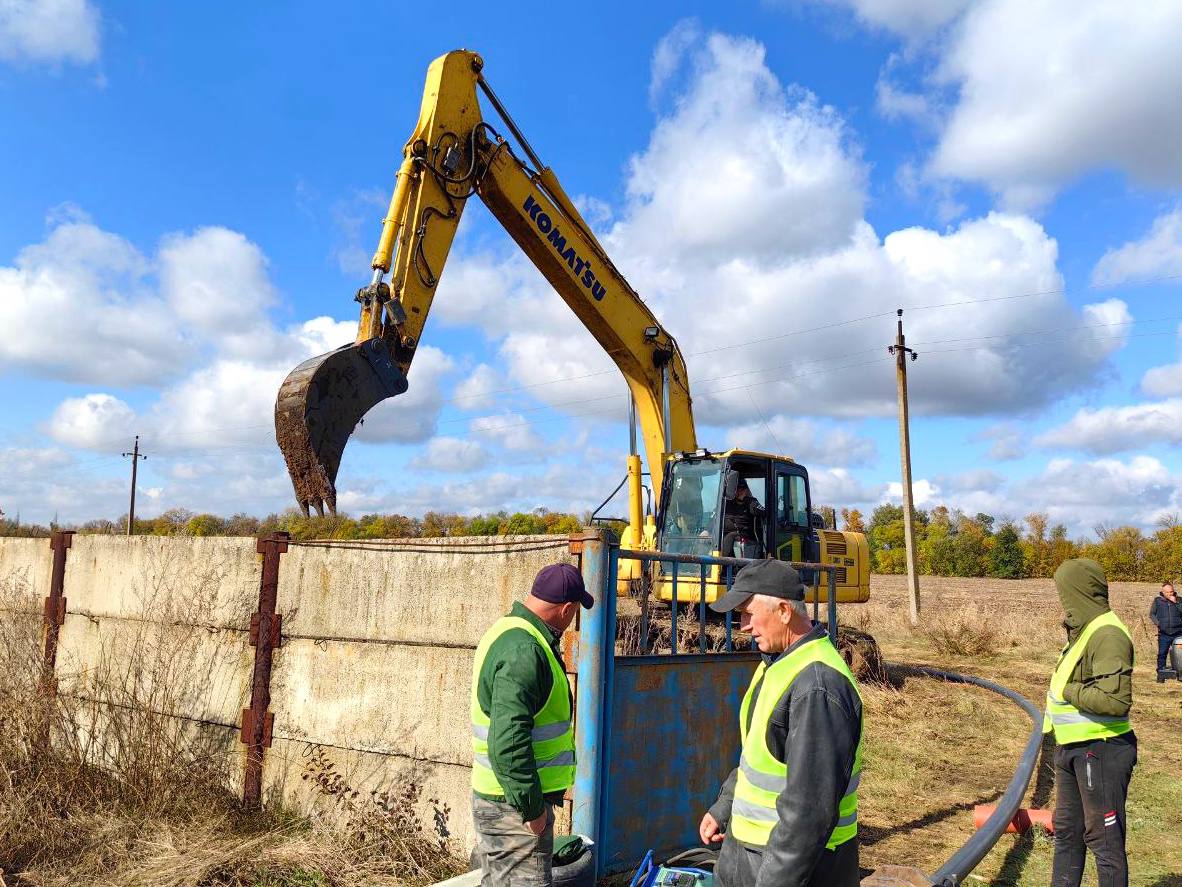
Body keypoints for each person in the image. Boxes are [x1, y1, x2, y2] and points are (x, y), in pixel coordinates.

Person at [699, 560, 862, 887]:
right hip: (747, 853)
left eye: (748, 612)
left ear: (785, 610)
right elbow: (759, 758)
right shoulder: (778, 663)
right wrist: (725, 806)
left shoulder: (818, 686)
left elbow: (808, 813)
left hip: (786, 867)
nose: (743, 625)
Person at [470, 563, 594, 886]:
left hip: (500, 801)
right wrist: (534, 812)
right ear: (567, 610)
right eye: (576, 611)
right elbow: (508, 744)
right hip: (513, 810)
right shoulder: (525, 651)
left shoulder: (506, 631)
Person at [1044, 558, 1136, 887]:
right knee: (1067, 832)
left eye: (1064, 592)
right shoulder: (1083, 632)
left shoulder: (1107, 634)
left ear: (1079, 591)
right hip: (1073, 748)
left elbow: (1115, 700)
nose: (1062, 601)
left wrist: (1068, 691)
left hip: (1102, 749)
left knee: (1104, 841)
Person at [722, 479, 765, 557]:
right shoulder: (726, 504)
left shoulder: (752, 503)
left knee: (731, 536)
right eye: (737, 489)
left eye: (742, 490)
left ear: (746, 490)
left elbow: (764, 512)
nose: (739, 492)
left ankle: (720, 562)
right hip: (723, 535)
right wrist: (707, 530)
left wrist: (748, 500)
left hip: (745, 538)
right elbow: (715, 517)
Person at [1149, 580, 1181, 680]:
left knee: (1179, 655)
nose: (1169, 594)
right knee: (1162, 654)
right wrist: (1159, 624)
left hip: (1178, 633)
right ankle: (1160, 675)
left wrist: (1175, 602)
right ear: (1163, 592)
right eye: (1167, 592)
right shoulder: (1158, 601)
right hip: (1164, 634)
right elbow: (1152, 614)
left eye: (1171, 591)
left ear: (1173, 591)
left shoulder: (1179, 600)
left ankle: (1180, 674)